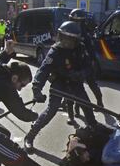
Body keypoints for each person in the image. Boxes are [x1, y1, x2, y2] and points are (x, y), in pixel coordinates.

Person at [24, 21, 98, 153]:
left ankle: (96, 133)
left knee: (87, 106)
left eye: (69, 39)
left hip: (75, 83)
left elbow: (89, 67)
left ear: (75, 40)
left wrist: (81, 74)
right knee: (51, 111)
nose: (66, 42)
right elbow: (43, 70)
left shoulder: (80, 49)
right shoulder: (55, 51)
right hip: (60, 83)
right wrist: (36, 89)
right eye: (64, 38)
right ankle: (29, 137)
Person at [67, 9, 104, 123]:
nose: (77, 23)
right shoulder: (68, 30)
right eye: (74, 20)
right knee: (72, 88)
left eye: (79, 21)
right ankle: (73, 113)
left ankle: (99, 102)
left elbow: (91, 51)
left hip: (86, 64)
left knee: (92, 84)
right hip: (73, 64)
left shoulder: (85, 34)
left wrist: (92, 62)